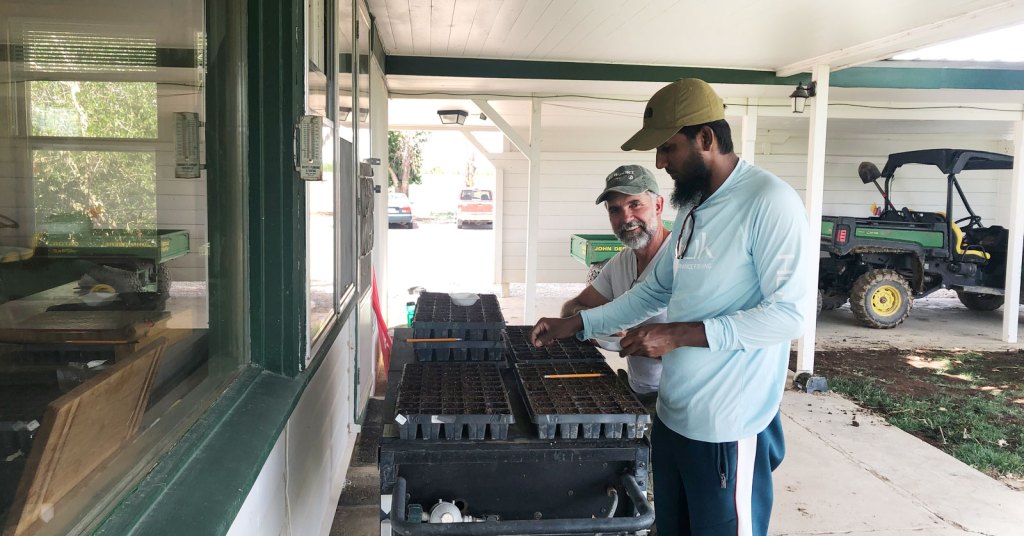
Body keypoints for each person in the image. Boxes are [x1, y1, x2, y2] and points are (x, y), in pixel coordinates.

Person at [530, 78, 809, 536]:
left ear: (706, 138)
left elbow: (790, 314)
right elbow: (650, 292)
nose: (660, 162)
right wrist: (575, 324)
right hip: (674, 418)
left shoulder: (769, 202)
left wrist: (676, 334)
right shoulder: (694, 210)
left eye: (668, 148)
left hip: (727, 426)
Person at [560, 164, 669, 413]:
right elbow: (571, 309)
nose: (626, 218)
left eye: (635, 205)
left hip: (681, 403)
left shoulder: (682, 260)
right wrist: (602, 325)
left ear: (659, 205)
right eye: (615, 210)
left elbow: (722, 339)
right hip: (638, 393)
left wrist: (668, 344)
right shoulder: (621, 262)